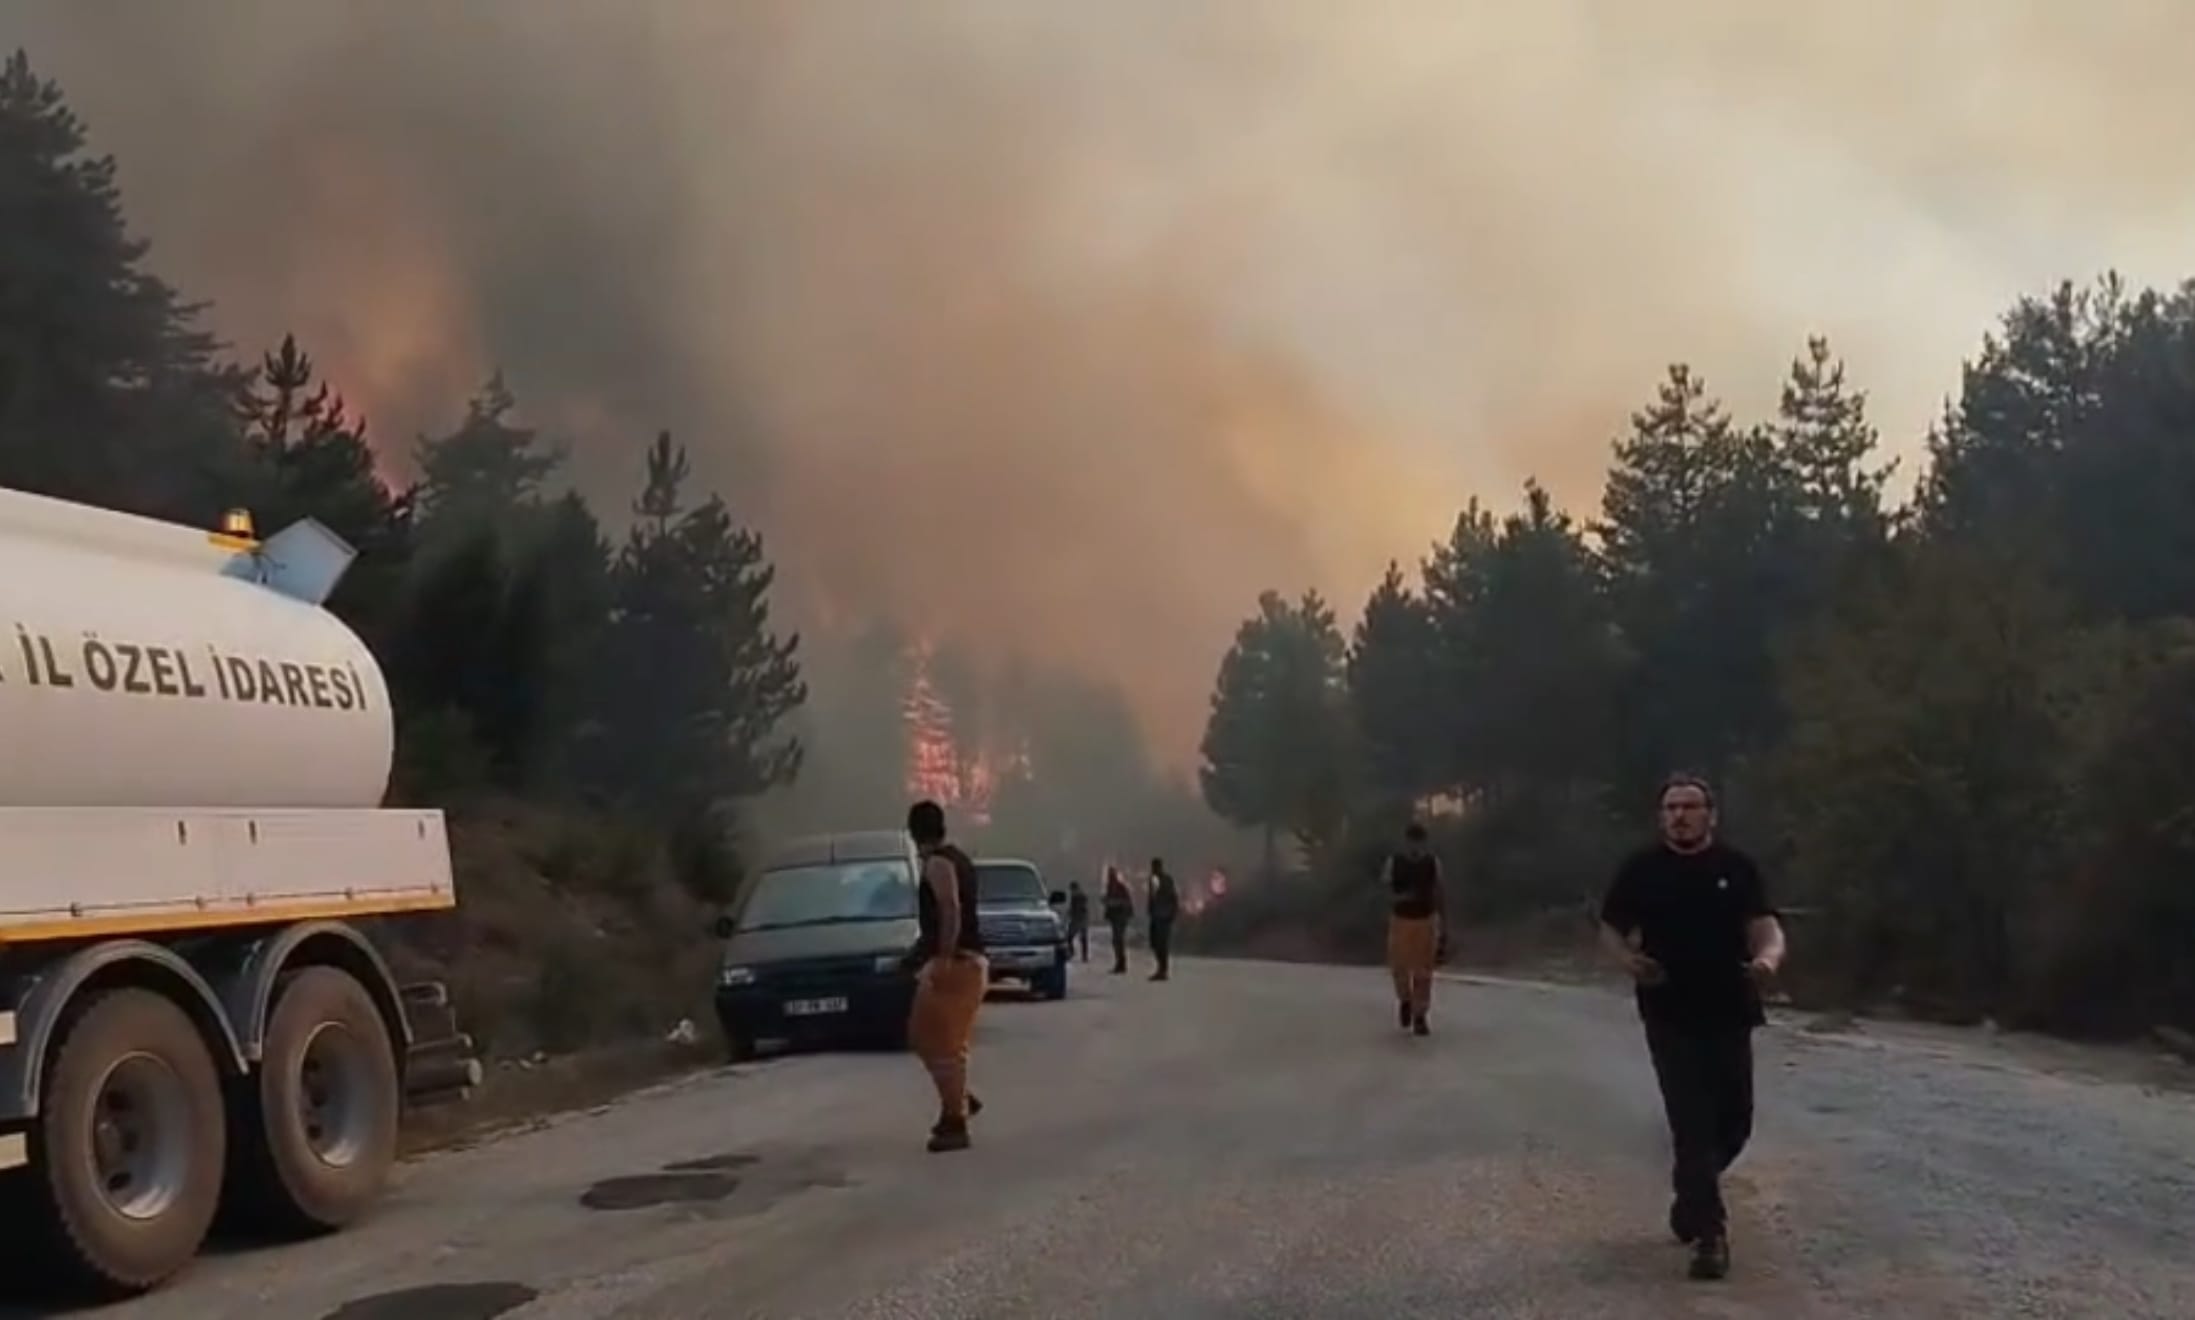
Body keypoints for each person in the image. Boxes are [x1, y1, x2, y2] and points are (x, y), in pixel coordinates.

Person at [1599, 773, 1787, 1282]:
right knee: (1692, 1121)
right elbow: (1611, 927)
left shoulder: (1736, 868)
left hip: (1730, 1008)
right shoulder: (1642, 869)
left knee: (1735, 1122)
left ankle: (1691, 1190)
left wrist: (1768, 960)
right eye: (1671, 808)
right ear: (1661, 817)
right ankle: (1710, 1235)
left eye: (1689, 807)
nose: (1679, 816)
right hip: (1669, 1012)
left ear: (1711, 815)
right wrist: (1627, 961)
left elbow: (1766, 927)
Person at [906, 798, 990, 1153]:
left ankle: (955, 1120)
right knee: (931, 1037)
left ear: (914, 833)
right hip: (969, 962)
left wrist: (942, 958)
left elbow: (950, 907)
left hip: (958, 962)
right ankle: (959, 1098)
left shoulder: (938, 863)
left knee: (939, 1043)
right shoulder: (959, 859)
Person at [1382, 822, 1445, 1036]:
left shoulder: (1433, 863)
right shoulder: (1394, 862)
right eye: (1411, 842)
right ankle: (1405, 1000)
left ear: (1423, 843)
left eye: (1418, 842)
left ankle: (1420, 1015)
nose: (1415, 846)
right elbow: (1386, 892)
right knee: (1399, 967)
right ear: (1406, 842)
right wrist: (1401, 898)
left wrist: (1444, 923)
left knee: (1423, 971)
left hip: (1426, 920)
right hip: (1401, 919)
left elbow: (1440, 892)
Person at [1145, 857, 1180, 981]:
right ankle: (1161, 968)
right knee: (1155, 943)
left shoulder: (1166, 880)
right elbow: (1152, 897)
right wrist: (1150, 909)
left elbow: (1172, 897)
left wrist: (1172, 912)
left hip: (1164, 915)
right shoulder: (1152, 880)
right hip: (1156, 915)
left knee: (1161, 944)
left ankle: (1162, 970)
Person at [1102, 865, 1135, 974]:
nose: (1110, 877)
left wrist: (1113, 902)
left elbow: (1125, 901)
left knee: (1118, 940)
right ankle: (1119, 963)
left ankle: (1121, 964)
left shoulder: (1120, 887)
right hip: (1115, 917)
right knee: (1116, 941)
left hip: (1121, 917)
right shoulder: (1110, 887)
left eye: (1111, 875)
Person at [1066, 881, 1091, 962]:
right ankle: (1084, 956)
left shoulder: (1077, 896)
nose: (1071, 892)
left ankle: (1072, 952)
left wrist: (1071, 914)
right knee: (1083, 938)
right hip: (1082, 919)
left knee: (1069, 937)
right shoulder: (1081, 895)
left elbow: (1077, 908)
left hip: (1078, 919)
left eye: (1072, 890)